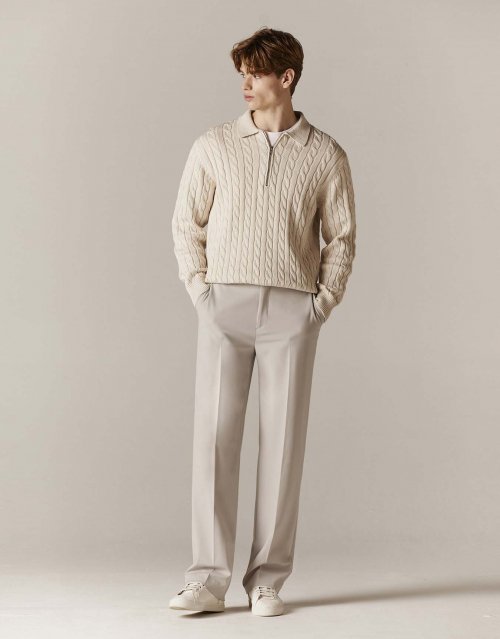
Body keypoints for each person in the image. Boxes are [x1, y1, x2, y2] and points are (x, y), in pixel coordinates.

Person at [169, 26, 356, 617]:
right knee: (214, 441)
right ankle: (207, 578)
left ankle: (268, 580)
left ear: (287, 77)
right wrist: (201, 290)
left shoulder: (325, 154)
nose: (245, 84)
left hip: (292, 310)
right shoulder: (215, 144)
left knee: (283, 445)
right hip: (223, 305)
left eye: (255, 73)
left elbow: (341, 237)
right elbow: (186, 223)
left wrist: (321, 304)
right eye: (243, 74)